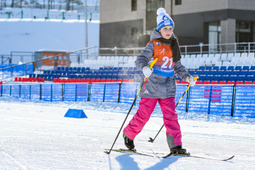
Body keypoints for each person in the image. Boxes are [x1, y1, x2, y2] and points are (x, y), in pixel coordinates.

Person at [123, 8, 197, 154]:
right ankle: (128, 134)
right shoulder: (153, 44)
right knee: (143, 115)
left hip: (168, 87)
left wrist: (187, 77)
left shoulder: (174, 45)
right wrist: (144, 68)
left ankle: (176, 146)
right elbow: (140, 60)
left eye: (170, 28)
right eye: (165, 28)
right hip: (151, 86)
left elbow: (178, 66)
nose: (168, 31)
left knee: (171, 117)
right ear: (159, 29)